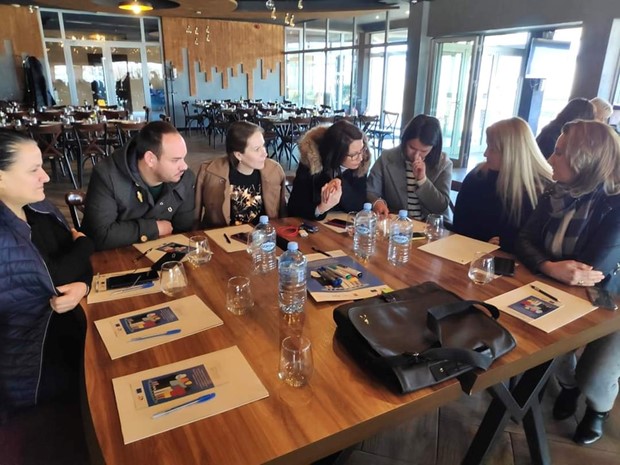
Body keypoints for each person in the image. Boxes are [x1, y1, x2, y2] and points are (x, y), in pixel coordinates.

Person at [515, 120, 620, 445]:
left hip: (610, 299)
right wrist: (549, 266)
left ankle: (598, 409)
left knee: (595, 375)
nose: (550, 158)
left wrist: (550, 267)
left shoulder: (615, 203)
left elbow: (592, 270)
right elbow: (524, 238)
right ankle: (569, 387)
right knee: (550, 346)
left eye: (559, 152)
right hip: (558, 288)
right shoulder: (556, 191)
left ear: (584, 160)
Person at [0, 131, 94, 413]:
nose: (46, 177)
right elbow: (54, 279)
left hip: (68, 330)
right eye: (33, 170)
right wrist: (85, 244)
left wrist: (83, 285)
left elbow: (73, 266)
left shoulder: (36, 206)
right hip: (32, 364)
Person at [82, 121, 195, 250]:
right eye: (175, 160)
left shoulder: (184, 178)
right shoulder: (107, 175)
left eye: (183, 158)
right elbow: (100, 235)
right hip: (113, 256)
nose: (184, 166)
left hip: (162, 253)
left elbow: (183, 232)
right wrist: (155, 228)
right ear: (150, 159)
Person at [453, 117, 553, 252]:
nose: (485, 153)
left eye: (492, 149)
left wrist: (503, 245)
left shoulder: (540, 190)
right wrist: (482, 245)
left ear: (511, 153)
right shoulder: (477, 177)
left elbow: (536, 243)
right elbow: (460, 226)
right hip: (468, 254)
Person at [193, 121, 286, 228]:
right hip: (223, 235)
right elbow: (195, 217)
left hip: (263, 235)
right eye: (257, 149)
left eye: (263, 146)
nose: (265, 153)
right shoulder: (210, 172)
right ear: (238, 155)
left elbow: (283, 214)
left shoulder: (274, 170)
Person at [367, 114, 452, 221]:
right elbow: (371, 190)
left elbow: (440, 206)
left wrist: (422, 180)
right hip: (397, 222)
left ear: (434, 148)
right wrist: (377, 202)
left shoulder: (443, 164)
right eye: (412, 147)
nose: (416, 155)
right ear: (405, 140)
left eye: (424, 151)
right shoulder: (387, 158)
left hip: (432, 225)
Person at [287, 120, 370, 220]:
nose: (360, 158)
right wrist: (321, 208)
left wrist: (340, 183)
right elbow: (294, 208)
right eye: (354, 155)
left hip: (343, 223)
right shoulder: (311, 162)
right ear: (337, 154)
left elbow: (359, 204)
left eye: (362, 150)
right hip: (313, 225)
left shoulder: (361, 163)